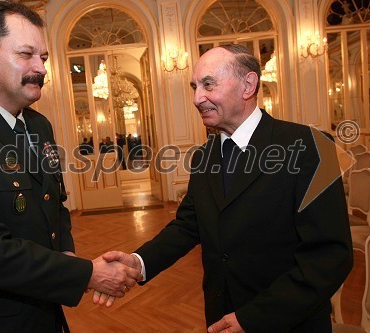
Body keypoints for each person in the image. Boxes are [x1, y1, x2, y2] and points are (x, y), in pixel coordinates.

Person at [0, 2, 141, 332]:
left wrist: (67, 257)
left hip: (40, 308)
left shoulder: (38, 125)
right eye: (26, 54)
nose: (41, 68)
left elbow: (53, 206)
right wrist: (87, 274)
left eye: (43, 57)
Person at [98, 45, 353, 332]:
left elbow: (330, 256)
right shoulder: (205, 156)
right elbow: (188, 226)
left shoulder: (312, 147)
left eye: (208, 84)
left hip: (286, 322)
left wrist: (253, 318)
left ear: (248, 85)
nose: (197, 98)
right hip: (220, 318)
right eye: (195, 87)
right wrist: (138, 262)